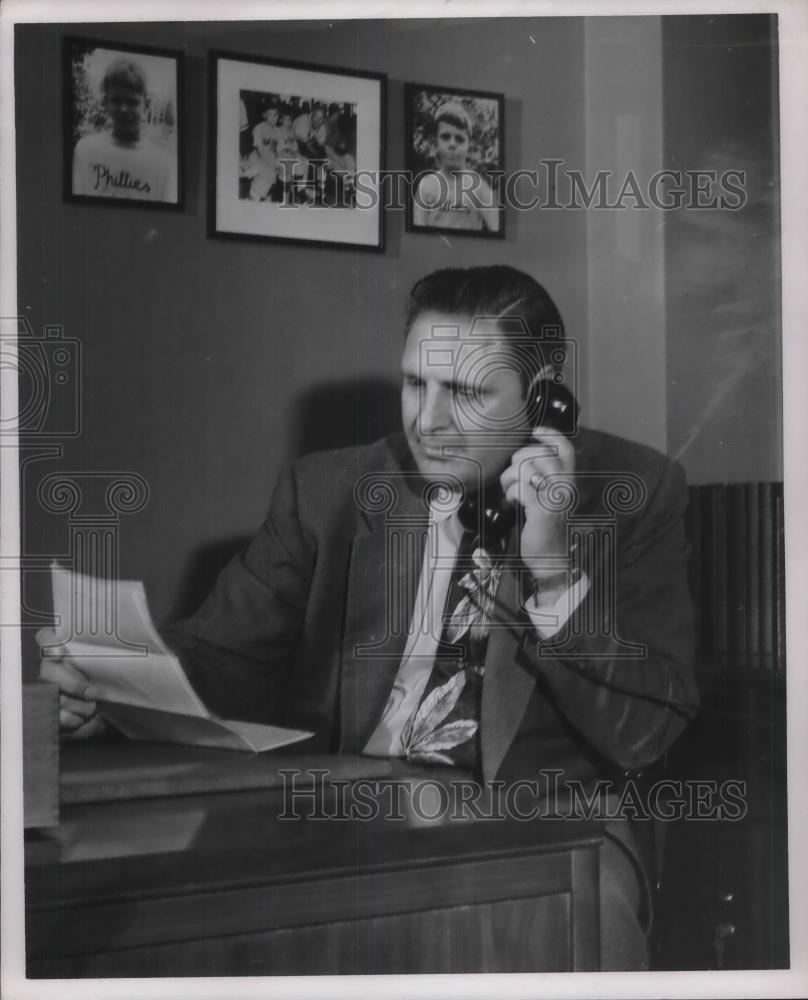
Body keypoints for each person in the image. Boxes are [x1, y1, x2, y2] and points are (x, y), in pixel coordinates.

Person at [39, 265, 698, 969]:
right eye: (416, 383)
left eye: (468, 393)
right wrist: (106, 691)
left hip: (540, 819)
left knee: (589, 921)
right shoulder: (326, 490)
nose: (427, 420)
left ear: (542, 402)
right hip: (350, 808)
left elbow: (645, 734)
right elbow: (221, 654)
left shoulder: (633, 492)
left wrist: (553, 567)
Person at [72, 57, 175, 203]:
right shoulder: (85, 150)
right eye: (116, 100)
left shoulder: (162, 164)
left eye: (133, 102)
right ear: (105, 102)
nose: (124, 109)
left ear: (146, 104)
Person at [413, 101, 500, 232]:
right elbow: (417, 233)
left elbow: (498, 228)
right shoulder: (426, 185)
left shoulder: (479, 186)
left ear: (468, 146)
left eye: (459, 139)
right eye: (445, 137)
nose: (452, 144)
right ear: (436, 142)